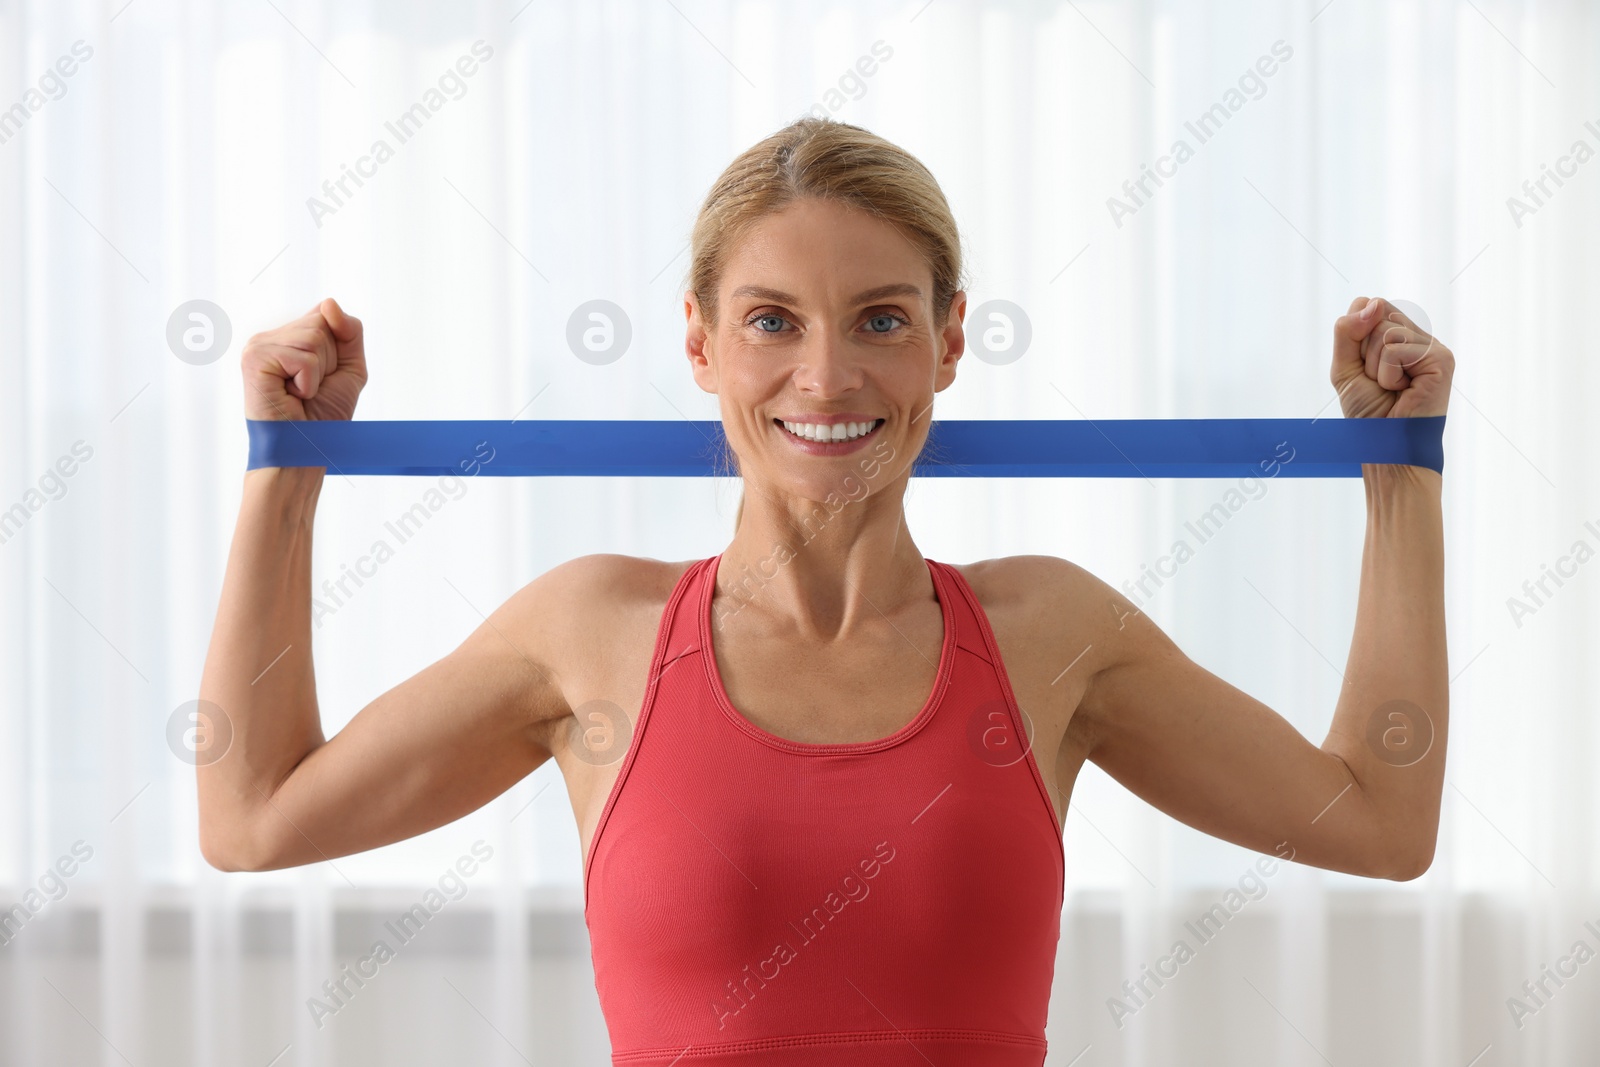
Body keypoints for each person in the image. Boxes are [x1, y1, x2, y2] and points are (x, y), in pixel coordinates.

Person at [198, 116, 1453, 1064]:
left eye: (880, 321)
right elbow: (252, 814)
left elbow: (1377, 822)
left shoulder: (1052, 636)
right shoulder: (592, 635)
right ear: (698, 342)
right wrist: (287, 468)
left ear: (950, 342)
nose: (828, 375)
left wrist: (1400, 471)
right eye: (770, 321)